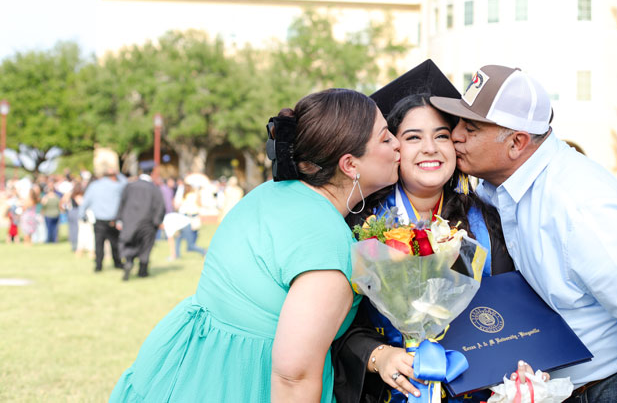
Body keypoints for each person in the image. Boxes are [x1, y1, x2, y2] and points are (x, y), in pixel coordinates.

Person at [109, 88, 401, 402]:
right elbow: (294, 376)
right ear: (349, 165)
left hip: (187, 364)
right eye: (386, 138)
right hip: (244, 382)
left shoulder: (269, 193)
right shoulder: (327, 243)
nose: (397, 143)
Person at [430, 65, 617, 403]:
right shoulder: (498, 188)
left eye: (470, 128)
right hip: (552, 386)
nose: (455, 135)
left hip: (608, 387)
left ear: (517, 142)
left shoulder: (581, 207)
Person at [334, 62, 516, 402]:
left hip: (476, 387)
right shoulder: (361, 226)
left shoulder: (488, 223)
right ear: (394, 149)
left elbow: (509, 312)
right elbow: (337, 327)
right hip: (388, 391)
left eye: (441, 136)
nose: (430, 148)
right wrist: (378, 356)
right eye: (413, 137)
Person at [117, 167, 167, 280]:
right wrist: (157, 221)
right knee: (145, 247)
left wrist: (119, 219)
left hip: (130, 222)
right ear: (152, 173)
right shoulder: (154, 188)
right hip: (147, 223)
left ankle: (128, 261)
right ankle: (142, 271)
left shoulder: (130, 186)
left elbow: (122, 203)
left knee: (130, 244)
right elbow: (160, 206)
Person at [78, 166, 126, 272]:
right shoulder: (117, 185)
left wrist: (82, 215)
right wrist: (118, 173)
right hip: (113, 220)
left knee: (99, 244)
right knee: (115, 243)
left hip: (99, 220)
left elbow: (85, 202)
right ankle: (117, 263)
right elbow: (126, 183)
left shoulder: (94, 186)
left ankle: (98, 265)